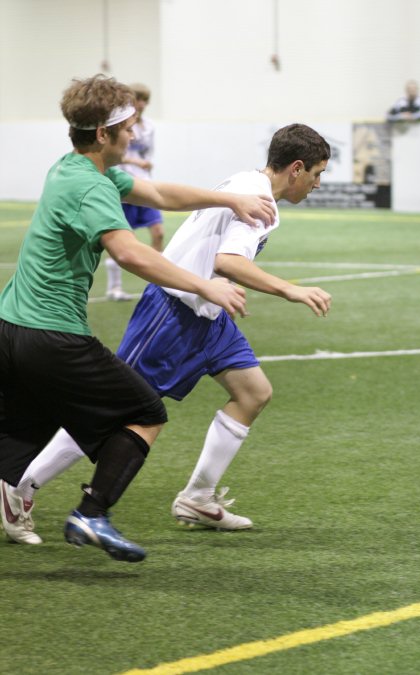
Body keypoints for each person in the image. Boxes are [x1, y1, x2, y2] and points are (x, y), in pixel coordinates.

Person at [1, 123, 331, 542]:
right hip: (174, 312)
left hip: (209, 314)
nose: (318, 184)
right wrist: (291, 289)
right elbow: (229, 262)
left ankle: (197, 497)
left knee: (253, 393)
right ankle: (19, 486)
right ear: (297, 168)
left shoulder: (246, 183)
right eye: (317, 173)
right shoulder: (261, 199)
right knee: (114, 410)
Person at [105, 83, 164, 301]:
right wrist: (134, 161)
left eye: (145, 100)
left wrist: (145, 164)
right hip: (124, 189)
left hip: (144, 186)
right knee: (120, 239)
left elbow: (148, 155)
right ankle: (114, 287)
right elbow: (115, 155)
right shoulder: (118, 125)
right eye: (138, 99)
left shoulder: (148, 127)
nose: (142, 104)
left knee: (158, 232)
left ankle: (157, 284)